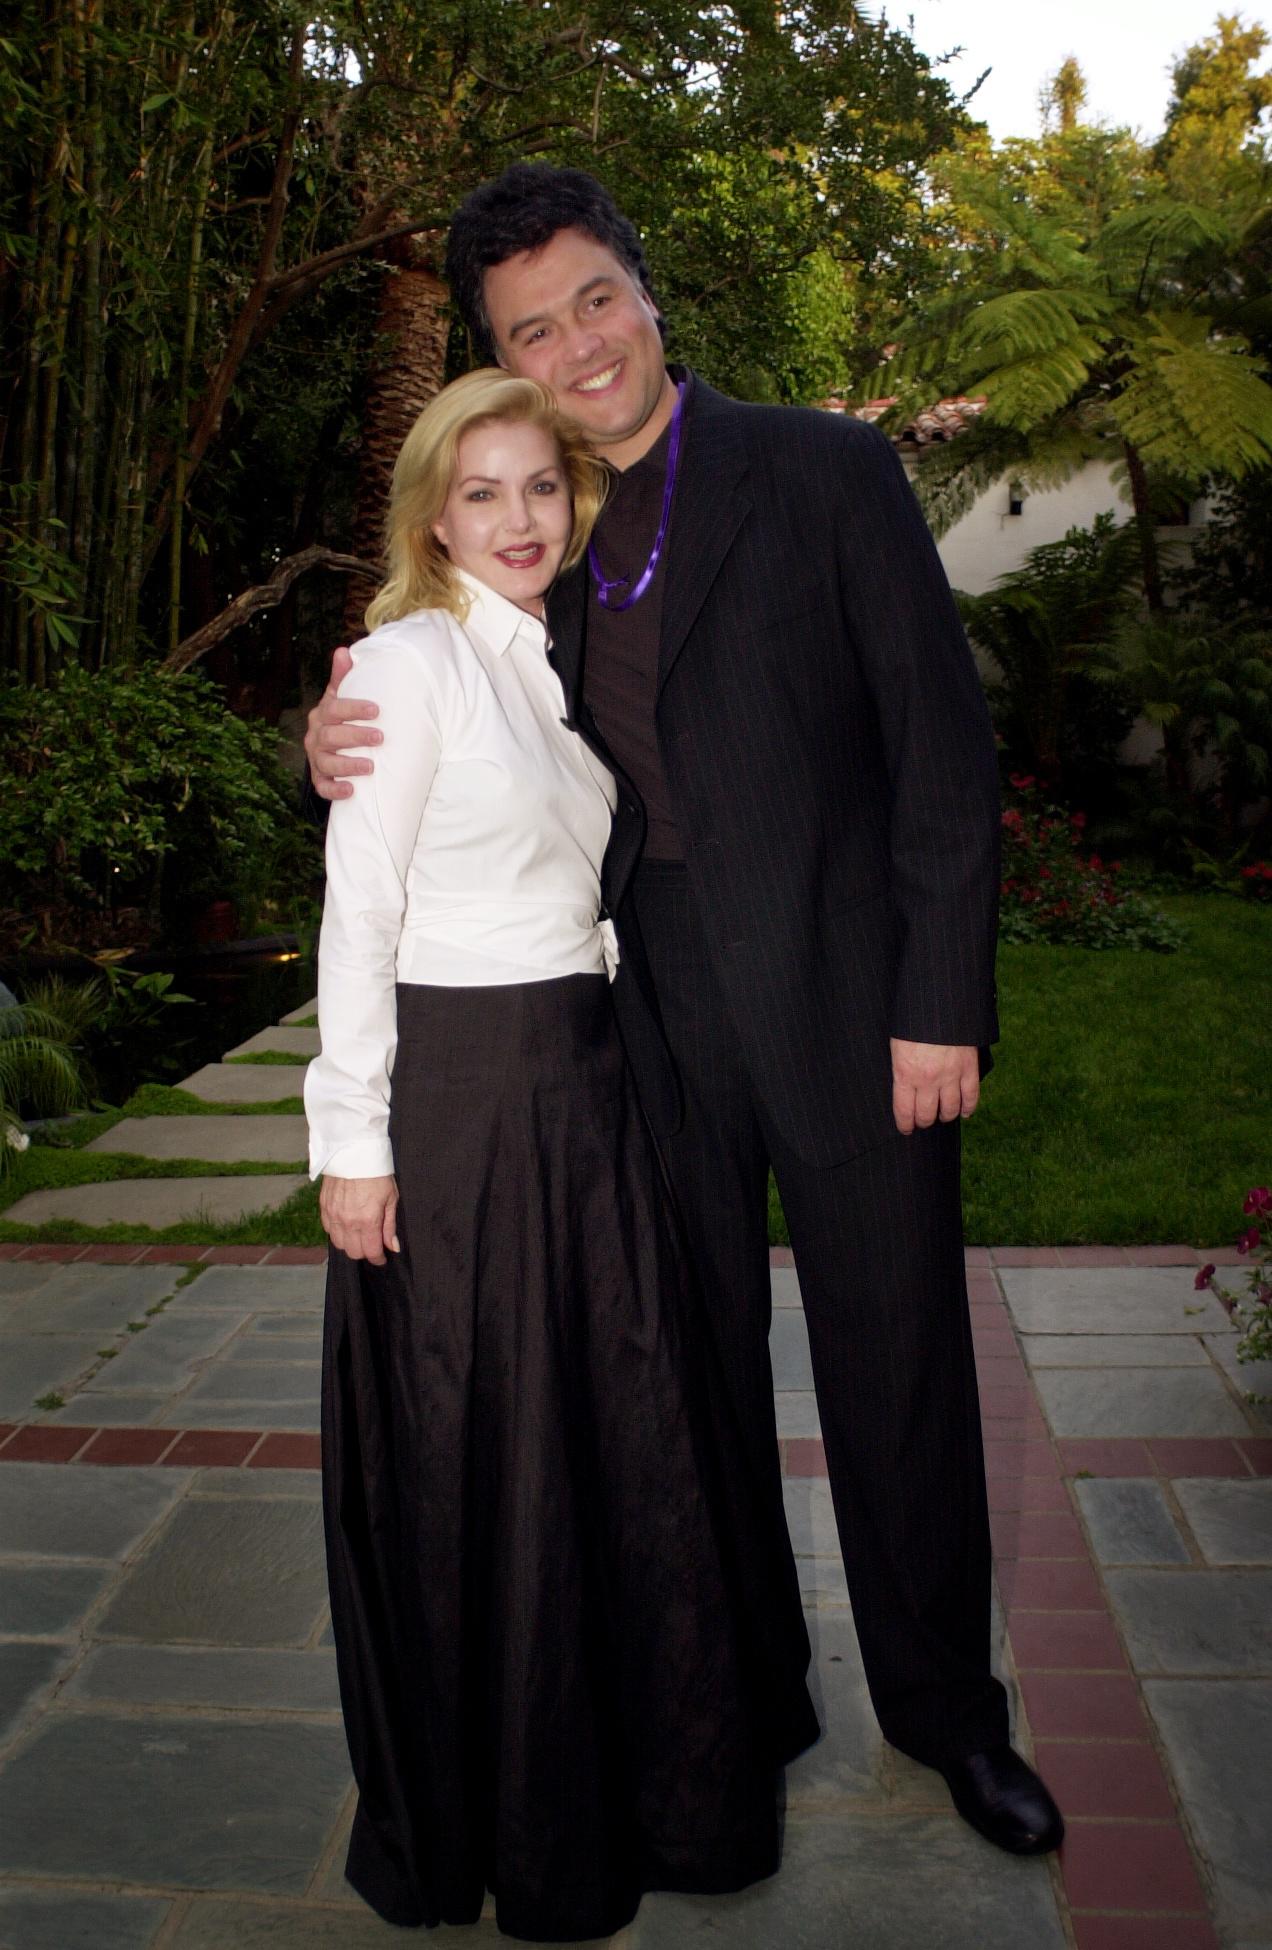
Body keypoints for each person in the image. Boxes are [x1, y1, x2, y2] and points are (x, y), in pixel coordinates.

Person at [306, 164, 1063, 1857]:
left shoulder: (825, 466)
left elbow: (944, 750)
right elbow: (428, 699)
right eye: (529, 328)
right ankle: (753, 1694)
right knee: (692, 1382)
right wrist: (327, 737)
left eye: (593, 299)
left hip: (857, 1013)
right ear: (498, 360)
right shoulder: (536, 538)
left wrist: (941, 998)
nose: (576, 345)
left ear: (647, 293)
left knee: (901, 1380)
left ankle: (951, 1716)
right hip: (640, 1033)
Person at [304, 367, 817, 1942]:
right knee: (494, 1457)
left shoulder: (540, 659)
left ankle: (626, 1776)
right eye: (484, 493)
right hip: (467, 1103)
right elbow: (362, 913)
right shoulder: (405, 662)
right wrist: (353, 1141)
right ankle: (515, 1812)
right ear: (432, 517)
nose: (520, 518)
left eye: (542, 487)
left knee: (606, 1450)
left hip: (581, 1090)